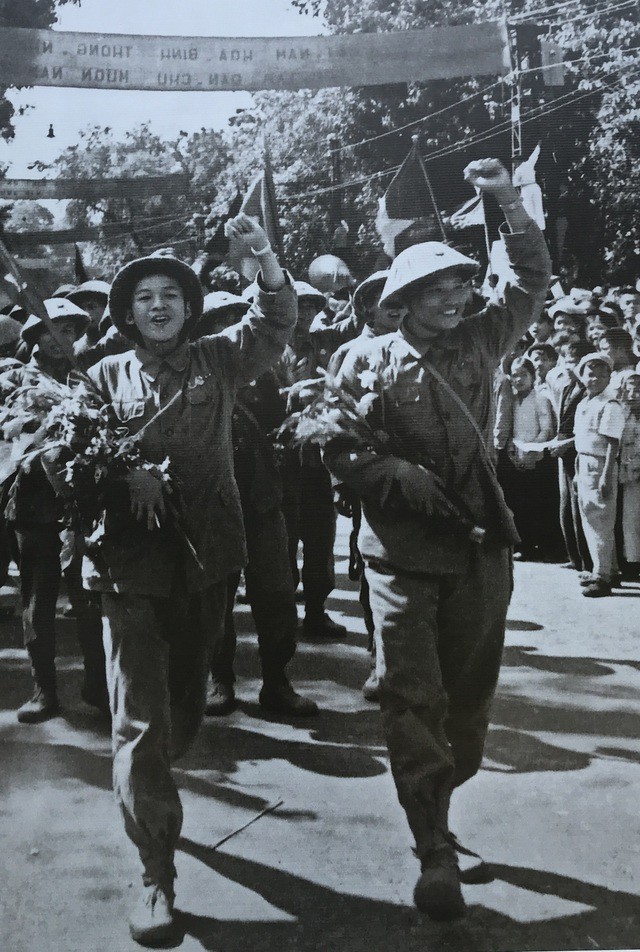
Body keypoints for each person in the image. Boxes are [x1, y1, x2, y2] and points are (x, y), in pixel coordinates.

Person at [323, 158, 551, 921]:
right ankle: (434, 849)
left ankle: (441, 816)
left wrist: (507, 202)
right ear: (405, 300)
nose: (458, 297)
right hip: (399, 556)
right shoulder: (362, 359)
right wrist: (393, 474)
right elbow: (338, 447)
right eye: (440, 289)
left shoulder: (484, 341)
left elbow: (528, 280)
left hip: (481, 546)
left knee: (467, 703)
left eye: (462, 284)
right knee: (410, 696)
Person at [79, 215, 296, 946]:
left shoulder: (221, 360)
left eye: (171, 294)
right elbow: (70, 465)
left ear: (189, 306)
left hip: (208, 558)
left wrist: (262, 255)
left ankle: (150, 791)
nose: (160, 305)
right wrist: (121, 471)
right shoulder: (101, 377)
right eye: (145, 297)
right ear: (128, 313)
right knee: (140, 720)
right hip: (128, 567)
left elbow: (275, 321)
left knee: (180, 714)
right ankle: (155, 873)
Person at [194, 293, 318, 718]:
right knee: (215, 598)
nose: (229, 330)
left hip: (263, 499)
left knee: (277, 594)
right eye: (218, 322)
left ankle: (277, 681)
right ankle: (219, 679)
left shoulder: (266, 376)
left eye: (235, 320)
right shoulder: (195, 375)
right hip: (212, 503)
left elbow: (284, 427)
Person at [1, 299, 108, 722]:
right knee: (39, 602)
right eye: (52, 330)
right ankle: (43, 689)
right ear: (35, 338)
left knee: (88, 601)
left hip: (82, 507)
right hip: (34, 506)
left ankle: (97, 684)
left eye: (69, 330)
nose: (61, 338)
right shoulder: (15, 380)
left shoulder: (88, 380)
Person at [572, 353, 626, 597]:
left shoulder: (610, 405)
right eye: (589, 374)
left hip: (600, 463)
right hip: (584, 461)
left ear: (609, 377)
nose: (594, 379)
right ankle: (609, 570)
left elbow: (612, 443)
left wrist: (606, 475)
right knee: (589, 517)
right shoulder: (585, 403)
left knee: (600, 520)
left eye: (600, 375)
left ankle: (602, 577)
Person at [618, 370, 640, 578]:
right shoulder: (622, 414)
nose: (634, 394)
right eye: (629, 390)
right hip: (630, 474)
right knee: (631, 518)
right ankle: (633, 562)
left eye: (638, 390)